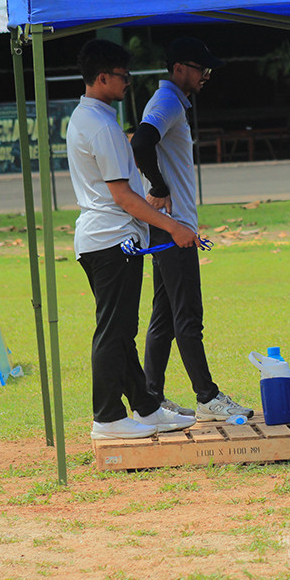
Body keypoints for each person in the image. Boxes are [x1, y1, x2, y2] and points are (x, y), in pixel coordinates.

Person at [67, 39, 198, 440]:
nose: (127, 84)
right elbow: (122, 196)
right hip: (111, 240)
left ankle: (146, 407)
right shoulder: (103, 126)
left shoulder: (88, 117)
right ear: (102, 77)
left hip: (103, 238)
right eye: (122, 77)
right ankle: (107, 417)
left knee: (121, 329)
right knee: (114, 331)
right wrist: (173, 226)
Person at [130, 37, 253, 421]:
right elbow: (142, 143)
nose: (206, 76)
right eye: (201, 69)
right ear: (179, 68)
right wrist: (159, 187)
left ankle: (151, 397)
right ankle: (207, 397)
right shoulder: (166, 102)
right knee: (188, 315)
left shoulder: (170, 103)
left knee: (165, 316)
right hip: (173, 229)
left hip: (171, 227)